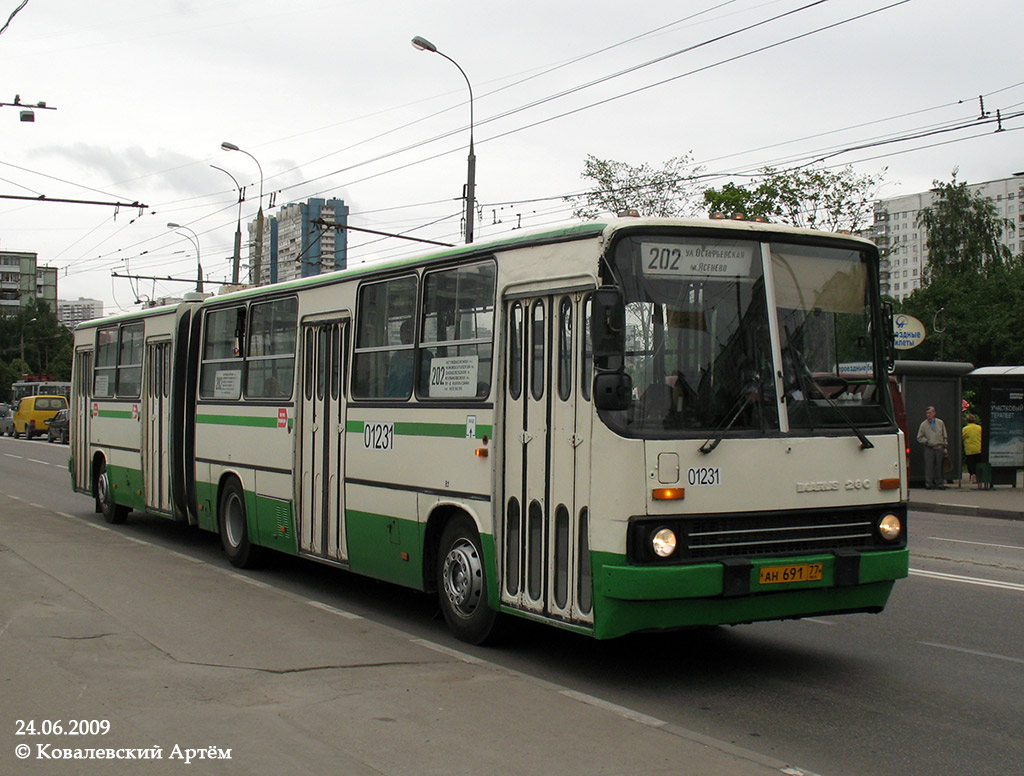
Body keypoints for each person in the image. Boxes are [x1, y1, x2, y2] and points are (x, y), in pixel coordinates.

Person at [916, 405, 948, 490]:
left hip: (939, 447)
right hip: (929, 448)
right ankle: (929, 483)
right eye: (927, 413)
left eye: (930, 413)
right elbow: (919, 437)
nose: (928, 415)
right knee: (929, 466)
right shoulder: (923, 424)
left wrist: (945, 446)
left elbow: (944, 435)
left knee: (939, 466)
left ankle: (939, 483)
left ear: (934, 413)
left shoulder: (940, 423)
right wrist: (926, 441)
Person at [962, 414, 983, 486]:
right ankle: (978, 477)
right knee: (978, 463)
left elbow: (963, 437)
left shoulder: (965, 429)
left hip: (970, 449)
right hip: (979, 448)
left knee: (971, 464)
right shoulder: (979, 428)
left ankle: (973, 477)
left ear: (967, 421)